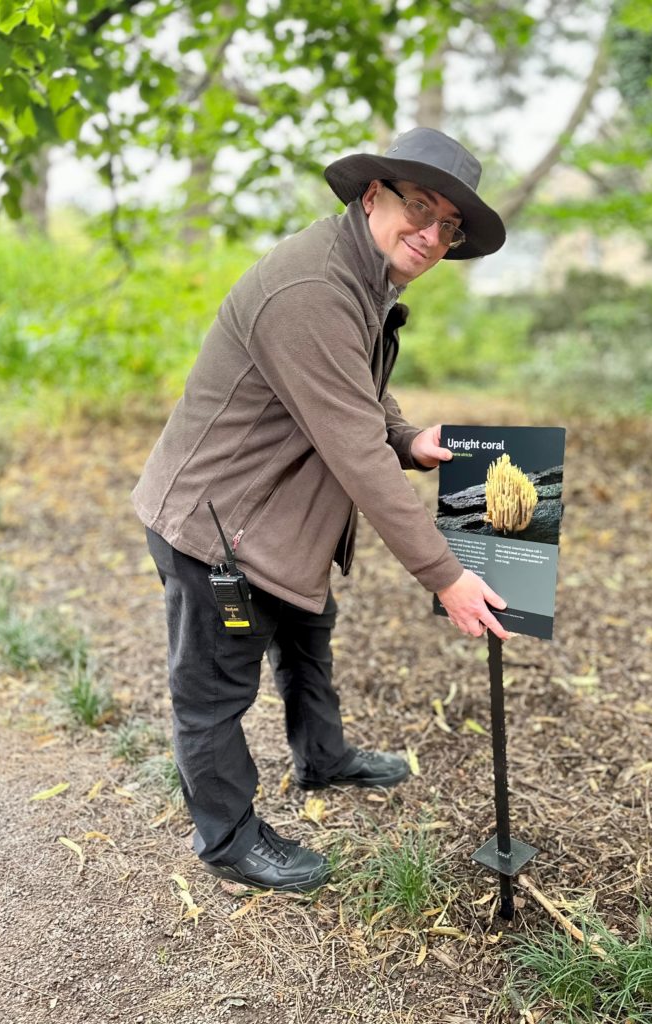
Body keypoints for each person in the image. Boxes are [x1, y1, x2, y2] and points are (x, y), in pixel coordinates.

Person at [132, 126, 512, 893]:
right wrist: (446, 575)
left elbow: (358, 395)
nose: (433, 234)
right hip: (220, 528)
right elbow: (354, 451)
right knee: (213, 691)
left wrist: (410, 437)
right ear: (373, 197)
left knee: (307, 634)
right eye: (420, 208)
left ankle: (323, 758)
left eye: (450, 226)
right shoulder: (309, 289)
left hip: (279, 523)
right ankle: (229, 838)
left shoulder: (359, 276)